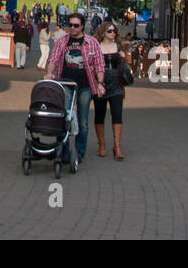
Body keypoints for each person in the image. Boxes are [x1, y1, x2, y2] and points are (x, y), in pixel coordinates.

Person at [44, 12, 105, 162]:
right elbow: (54, 58)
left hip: (85, 85)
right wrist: (49, 73)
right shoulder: (63, 41)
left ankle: (79, 153)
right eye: (70, 25)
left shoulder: (91, 42)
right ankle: (64, 152)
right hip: (65, 84)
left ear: (82, 26)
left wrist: (100, 83)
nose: (72, 28)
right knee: (64, 117)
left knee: (82, 121)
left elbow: (99, 65)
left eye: (76, 25)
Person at [93, 22, 127, 160]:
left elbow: (124, 67)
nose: (112, 33)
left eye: (114, 31)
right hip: (100, 84)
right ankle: (101, 145)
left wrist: (123, 57)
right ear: (103, 33)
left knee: (117, 114)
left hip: (116, 84)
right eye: (109, 31)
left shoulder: (118, 47)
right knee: (100, 115)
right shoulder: (96, 47)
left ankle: (117, 147)